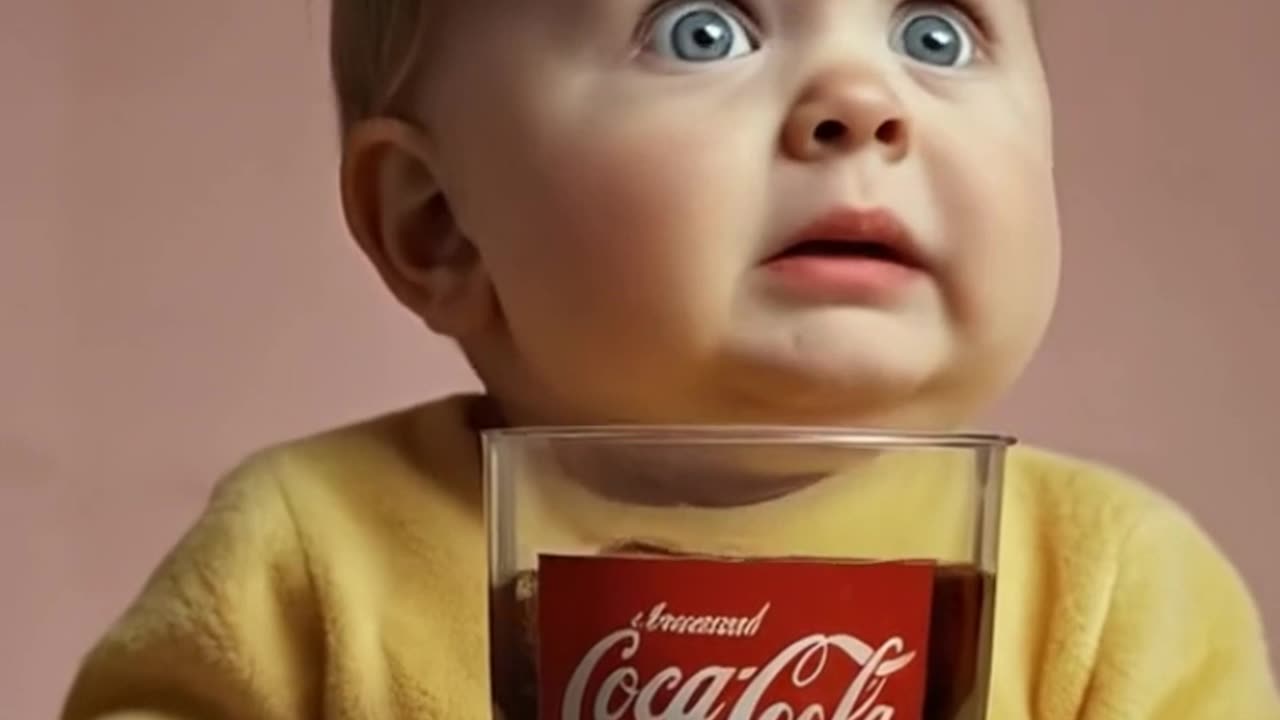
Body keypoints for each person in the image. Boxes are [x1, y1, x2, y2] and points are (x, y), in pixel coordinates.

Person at [62, 0, 1279, 718]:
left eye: (935, 31)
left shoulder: (1111, 586)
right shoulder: (308, 552)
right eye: (702, 29)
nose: (861, 98)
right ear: (437, 223)